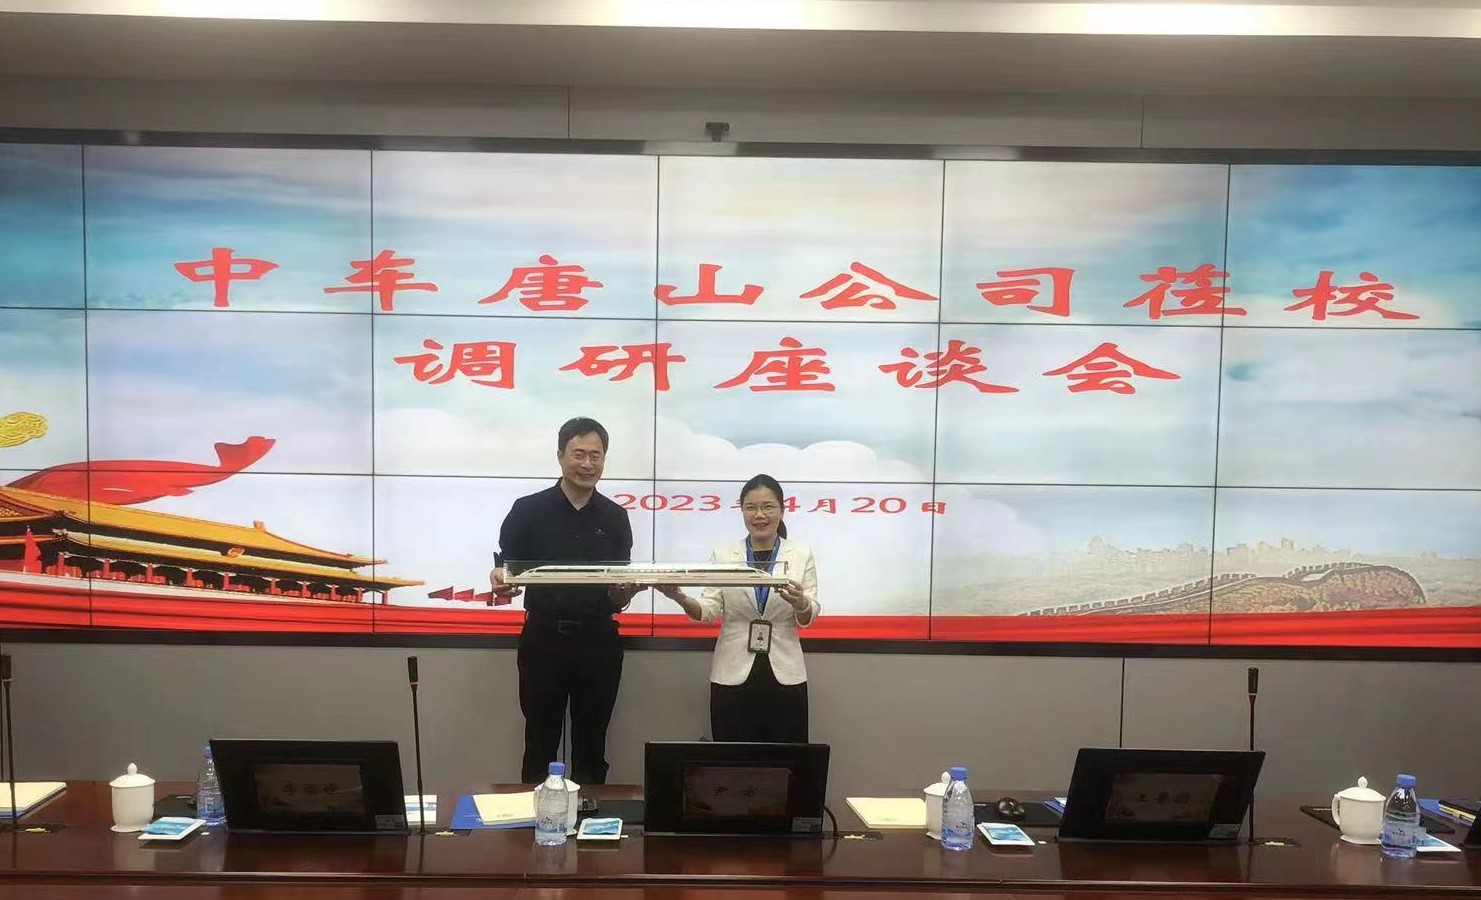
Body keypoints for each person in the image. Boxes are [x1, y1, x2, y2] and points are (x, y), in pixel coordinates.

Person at [490, 417, 640, 784]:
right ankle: (536, 818)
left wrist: (625, 593)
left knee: (592, 747)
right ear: (560, 456)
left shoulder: (615, 517)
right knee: (539, 743)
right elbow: (507, 569)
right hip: (544, 640)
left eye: (596, 456)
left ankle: (592, 818)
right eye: (579, 454)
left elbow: (617, 589)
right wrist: (500, 580)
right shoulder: (527, 510)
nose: (588, 464)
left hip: (598, 641)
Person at [658, 474, 819, 743]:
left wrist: (800, 602)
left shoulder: (801, 554)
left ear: (782, 509)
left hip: (785, 675)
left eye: (768, 507)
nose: (759, 515)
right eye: (751, 507)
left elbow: (809, 614)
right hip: (731, 673)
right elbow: (708, 610)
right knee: (732, 757)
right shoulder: (724, 555)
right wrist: (679, 597)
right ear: (742, 511)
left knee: (787, 759)